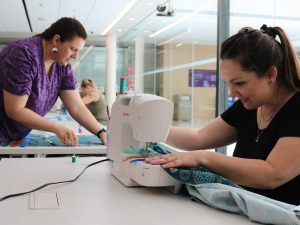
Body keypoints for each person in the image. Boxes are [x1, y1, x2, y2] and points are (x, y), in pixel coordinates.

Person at [146, 24, 300, 205]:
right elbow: (199, 138)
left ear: (270, 74)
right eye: (228, 84)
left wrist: (204, 157)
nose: (232, 93)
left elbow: (272, 174)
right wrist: (150, 128)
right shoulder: (249, 104)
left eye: (239, 83)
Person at [0, 17, 107, 146]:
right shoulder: (23, 54)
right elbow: (15, 110)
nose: (75, 56)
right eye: (73, 49)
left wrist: (100, 131)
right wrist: (56, 127)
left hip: (14, 135)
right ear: (56, 40)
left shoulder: (62, 65)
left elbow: (77, 107)